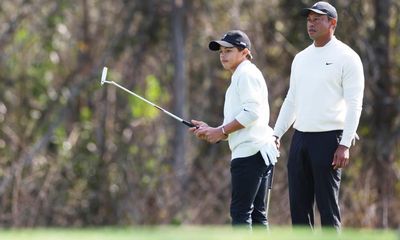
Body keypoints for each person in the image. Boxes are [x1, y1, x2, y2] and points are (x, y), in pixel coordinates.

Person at [273, 1, 364, 231]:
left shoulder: (347, 57)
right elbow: (291, 100)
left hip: (330, 140)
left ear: (332, 23)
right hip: (300, 138)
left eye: (318, 19)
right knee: (299, 209)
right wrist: (276, 134)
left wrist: (345, 144)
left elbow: (355, 104)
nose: (311, 24)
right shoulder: (301, 58)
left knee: (327, 208)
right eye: (309, 19)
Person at [189, 30, 279, 228]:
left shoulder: (245, 74)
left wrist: (220, 132)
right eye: (221, 51)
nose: (223, 55)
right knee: (257, 216)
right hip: (258, 152)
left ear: (244, 52)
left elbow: (252, 112)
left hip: (250, 153)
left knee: (241, 214)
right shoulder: (242, 75)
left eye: (228, 51)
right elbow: (244, 120)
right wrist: (213, 130)